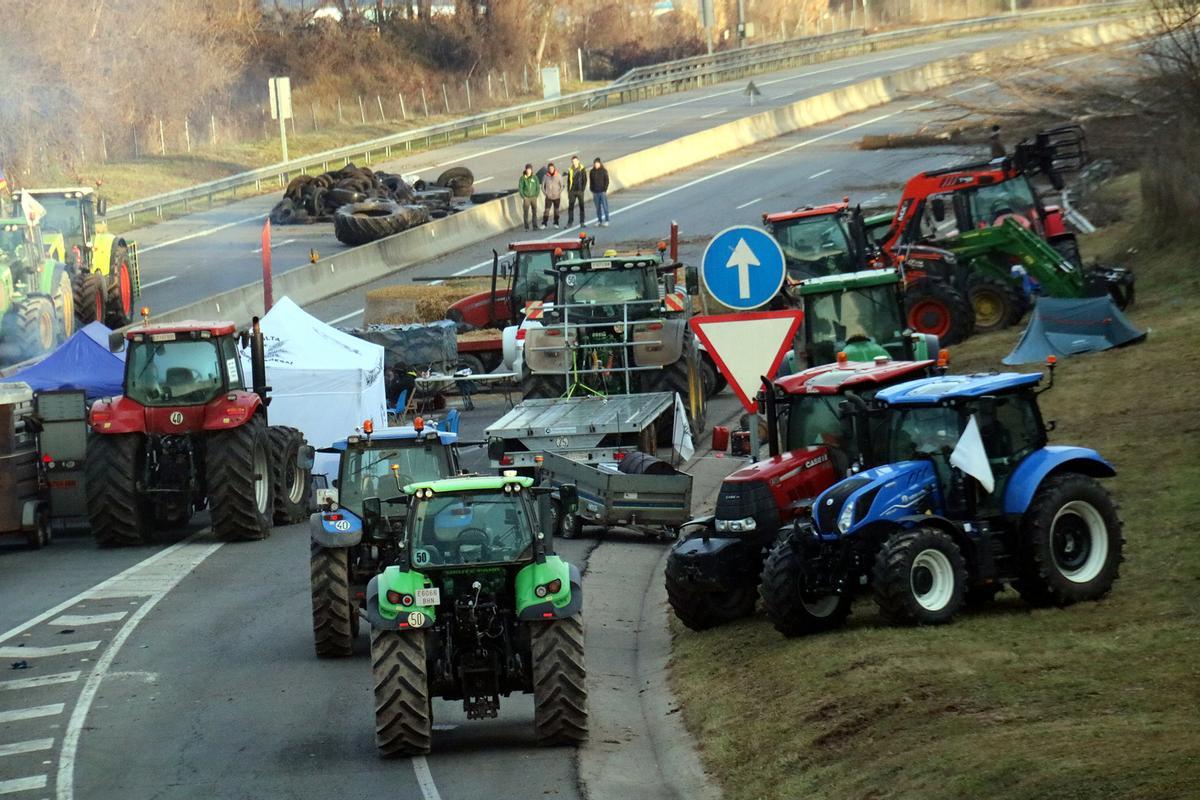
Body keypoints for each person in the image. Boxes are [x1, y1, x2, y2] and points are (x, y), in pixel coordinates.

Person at [565, 155, 588, 227]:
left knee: (581, 206)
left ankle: (582, 222)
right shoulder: (570, 169)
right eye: (573, 161)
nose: (574, 162)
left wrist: (582, 189)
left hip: (580, 190)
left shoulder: (582, 169)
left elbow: (585, 180)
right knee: (571, 207)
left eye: (575, 161)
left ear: (578, 161)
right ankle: (570, 222)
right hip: (572, 191)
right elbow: (568, 181)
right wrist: (569, 190)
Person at [541, 162, 564, 229]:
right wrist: (546, 194)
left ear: (554, 168)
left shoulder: (558, 175)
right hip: (548, 197)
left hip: (557, 197)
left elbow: (562, 186)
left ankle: (556, 223)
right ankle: (544, 224)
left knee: (556, 210)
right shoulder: (545, 176)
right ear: (548, 169)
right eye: (549, 168)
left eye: (552, 168)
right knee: (546, 210)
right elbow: (542, 186)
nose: (551, 169)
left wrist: (559, 193)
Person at [518, 164, 540, 231]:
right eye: (527, 169)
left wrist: (536, 195)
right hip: (526, 198)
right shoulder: (522, 178)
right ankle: (526, 227)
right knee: (526, 212)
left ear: (531, 170)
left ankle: (535, 226)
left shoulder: (535, 177)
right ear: (525, 170)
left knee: (534, 212)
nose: (528, 171)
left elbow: (538, 187)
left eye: (530, 169)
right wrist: (523, 196)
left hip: (533, 197)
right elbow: (520, 188)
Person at [589, 157, 610, 227]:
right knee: (597, 208)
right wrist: (591, 189)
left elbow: (607, 181)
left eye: (597, 163)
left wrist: (605, 189)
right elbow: (591, 181)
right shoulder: (592, 172)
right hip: (595, 192)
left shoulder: (604, 171)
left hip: (602, 192)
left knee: (605, 207)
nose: (596, 165)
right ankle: (599, 220)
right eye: (595, 164)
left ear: (600, 164)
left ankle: (607, 220)